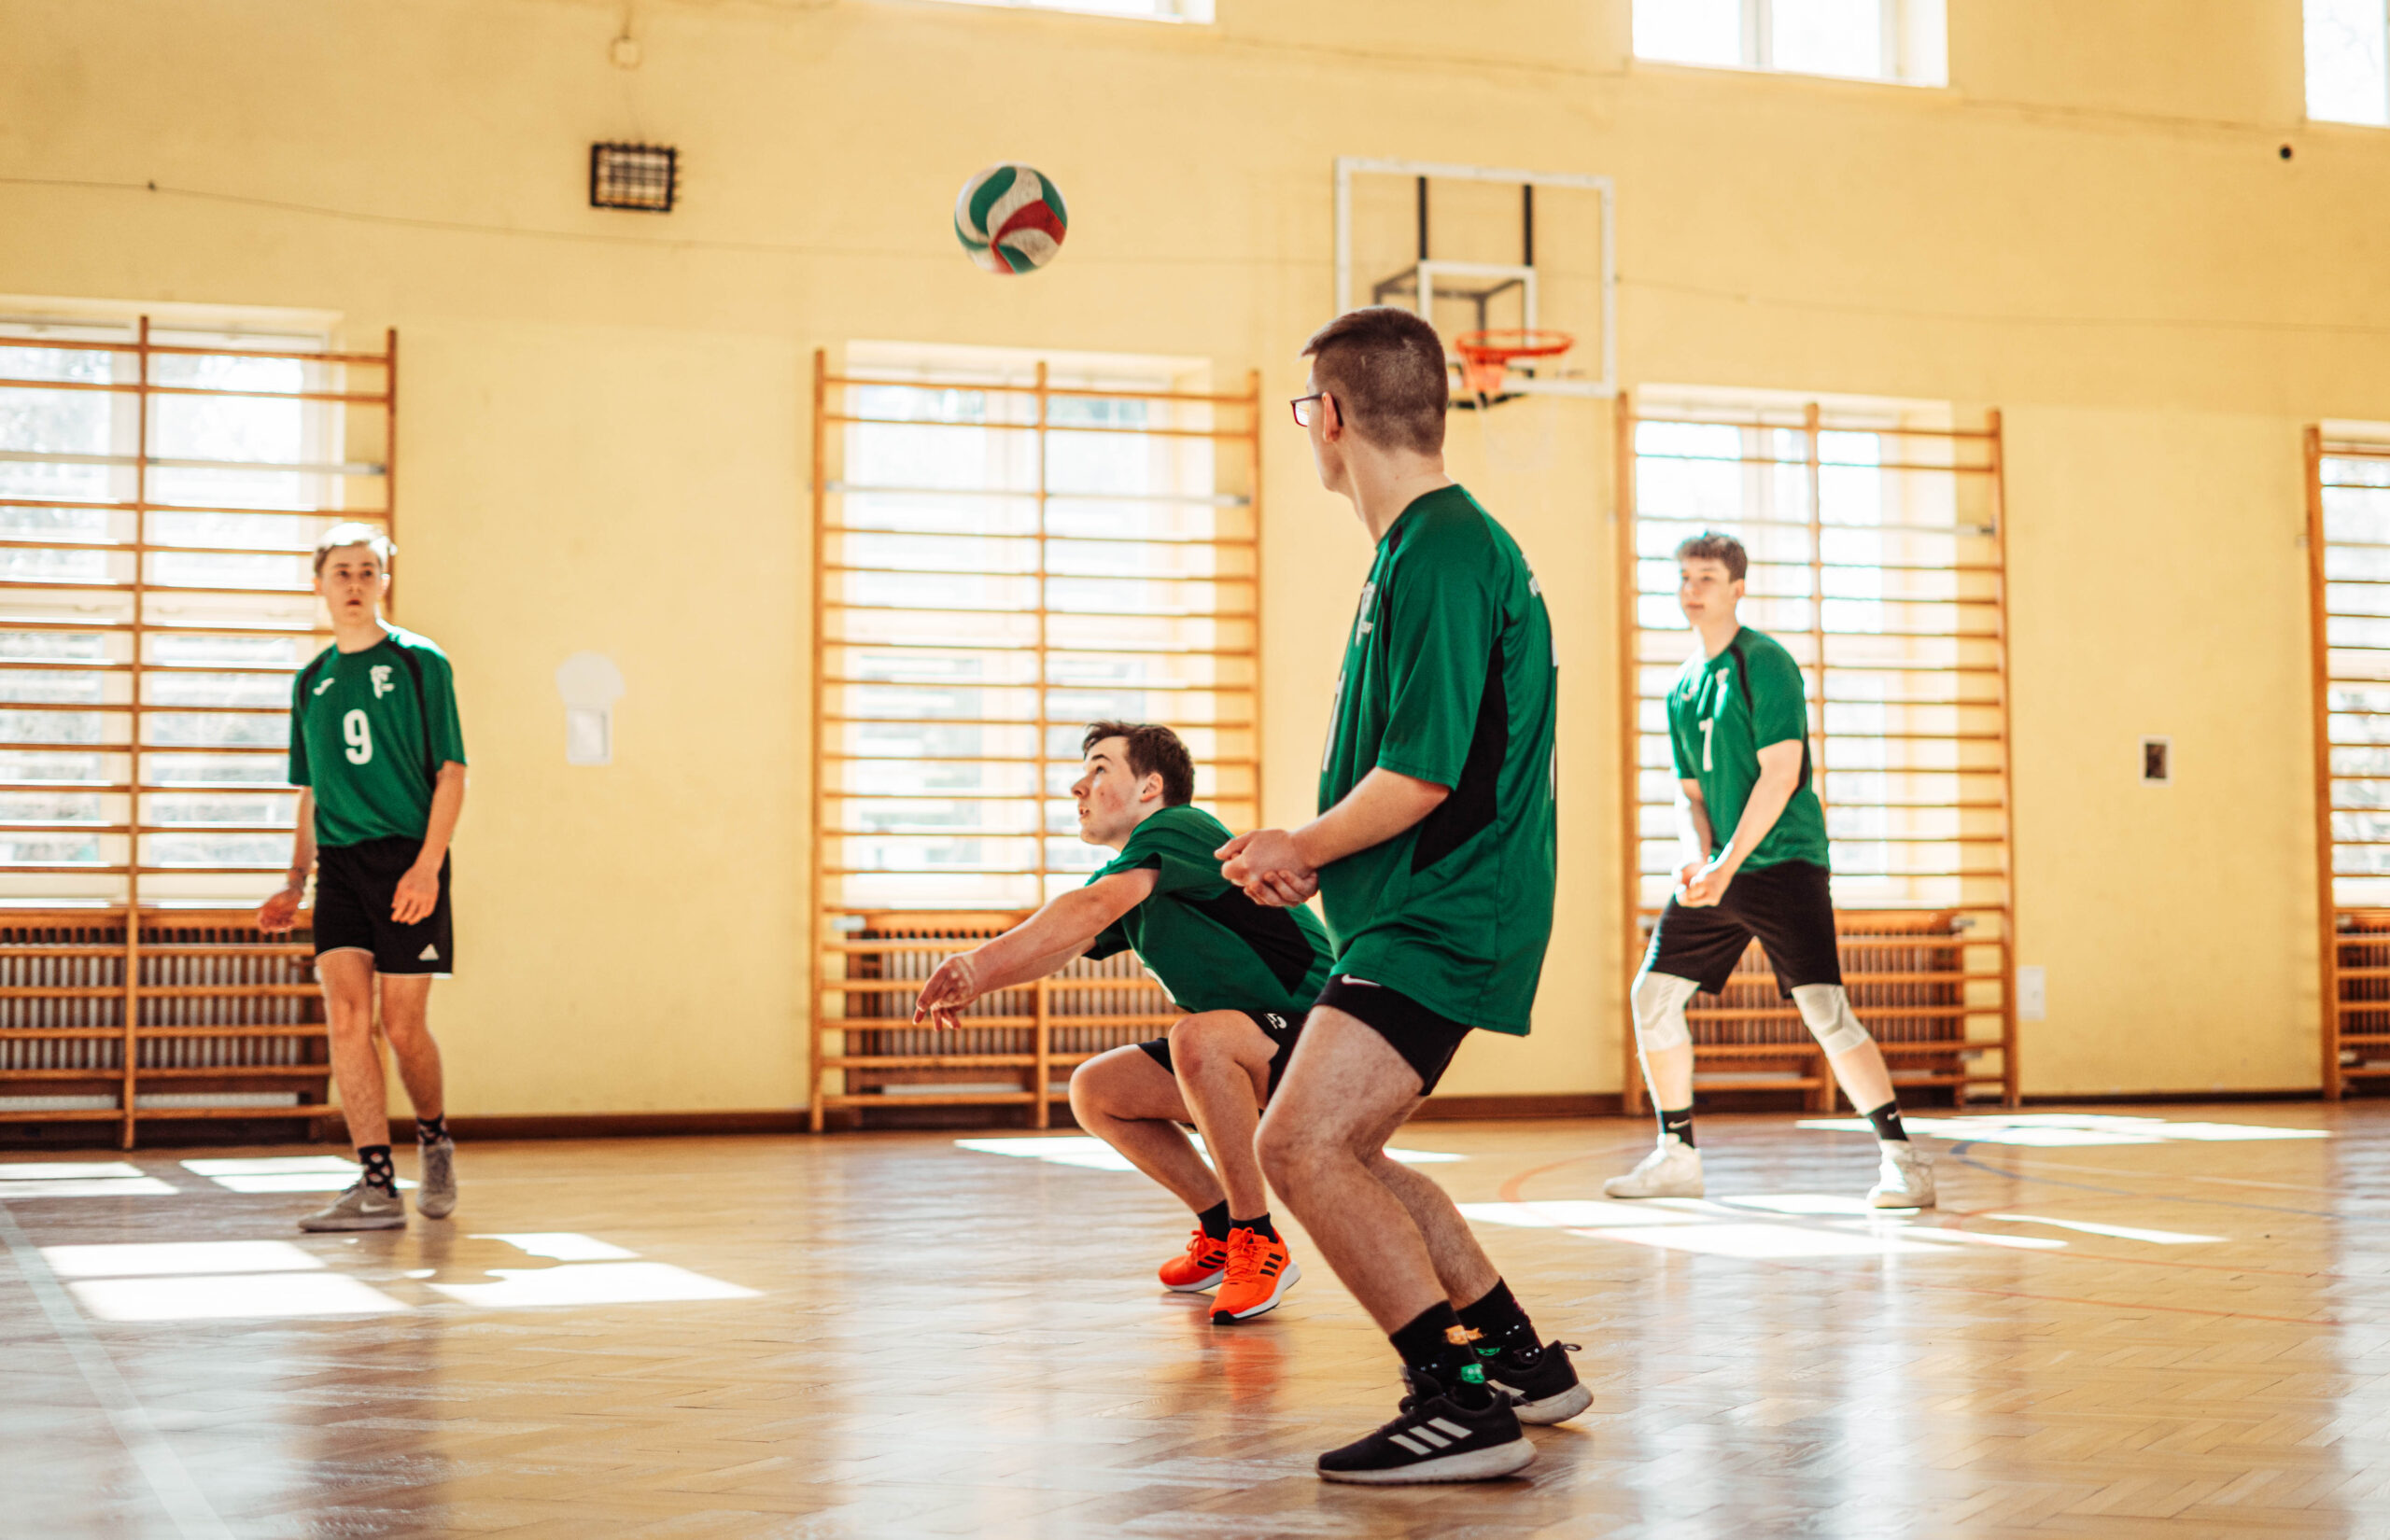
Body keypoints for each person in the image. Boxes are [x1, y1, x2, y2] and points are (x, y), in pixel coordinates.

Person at [1217, 306, 1585, 1486]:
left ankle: (1453, 1400)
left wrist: (1303, 842)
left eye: (1303, 411)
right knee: (1353, 1147)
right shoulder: (1423, 549)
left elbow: (1422, 775)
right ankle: (1518, 1362)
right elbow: (1421, 767)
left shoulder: (1441, 552)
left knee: (1299, 1144)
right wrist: (1312, 854)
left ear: (1328, 415)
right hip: (1422, 908)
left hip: (1445, 913)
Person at [913, 721, 1331, 1323]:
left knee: (1198, 1037)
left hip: (1321, 1034)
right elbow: (1065, 942)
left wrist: (977, 963)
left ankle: (1256, 1238)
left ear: (1150, 787)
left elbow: (1088, 908)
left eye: (1100, 768)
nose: (1078, 786)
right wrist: (977, 982)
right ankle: (1220, 1231)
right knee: (1097, 1089)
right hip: (1258, 1042)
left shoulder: (1180, 827)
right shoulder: (1136, 874)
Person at [1605, 529, 1934, 1209]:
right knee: (1651, 996)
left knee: (1824, 1008)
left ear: (1737, 589)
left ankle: (1903, 1161)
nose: (1691, 590)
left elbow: (1780, 775)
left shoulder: (1766, 663)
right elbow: (1690, 795)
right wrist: (1696, 857)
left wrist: (1728, 862)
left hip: (1783, 864)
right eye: (1684, 578)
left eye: (1706, 578)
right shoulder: (1682, 687)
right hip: (1721, 869)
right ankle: (1677, 1156)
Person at [258, 523, 468, 1232]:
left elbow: (452, 772)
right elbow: (312, 791)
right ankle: (377, 1186)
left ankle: (434, 1140)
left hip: (408, 857)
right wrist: (296, 880)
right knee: (347, 1019)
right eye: (341, 572)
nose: (354, 583)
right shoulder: (310, 681)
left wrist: (428, 868)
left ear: (383, 582)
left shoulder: (419, 662)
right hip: (341, 868)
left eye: (367, 571)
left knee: (401, 1027)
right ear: (319, 584)